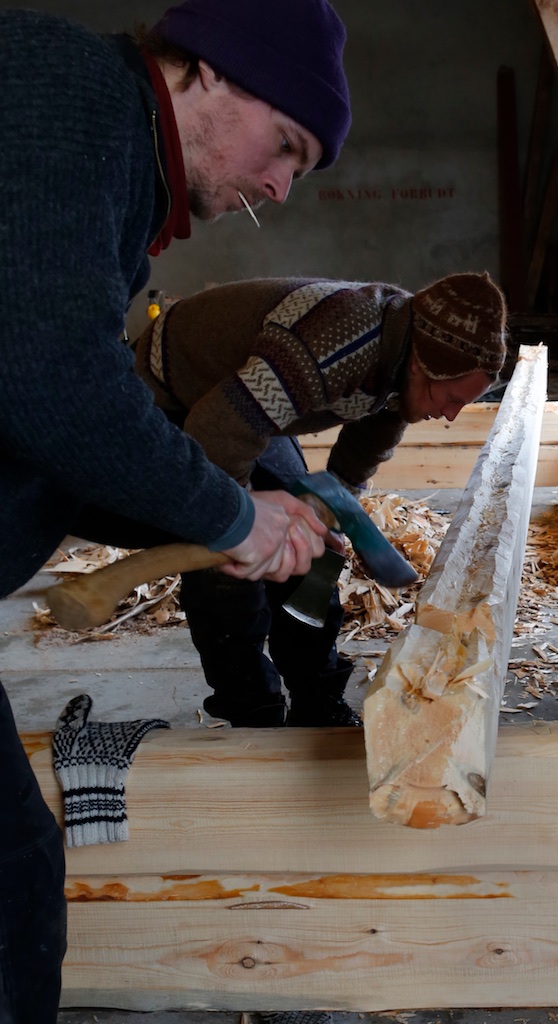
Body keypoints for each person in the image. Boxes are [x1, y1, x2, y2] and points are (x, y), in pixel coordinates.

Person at [0, 0, 351, 1020]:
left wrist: (219, 516)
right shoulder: (68, 96)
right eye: (284, 147)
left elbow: (52, 424)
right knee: (12, 877)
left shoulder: (111, 156)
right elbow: (55, 390)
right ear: (211, 71)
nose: (279, 187)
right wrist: (231, 516)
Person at [126, 271, 508, 728]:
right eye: (449, 398)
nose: (449, 416)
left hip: (240, 399)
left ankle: (318, 697)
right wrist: (245, 525)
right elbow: (216, 430)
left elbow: (369, 441)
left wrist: (333, 505)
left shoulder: (407, 354)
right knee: (228, 561)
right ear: (420, 367)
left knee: (313, 547)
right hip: (168, 394)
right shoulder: (338, 341)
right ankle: (252, 708)